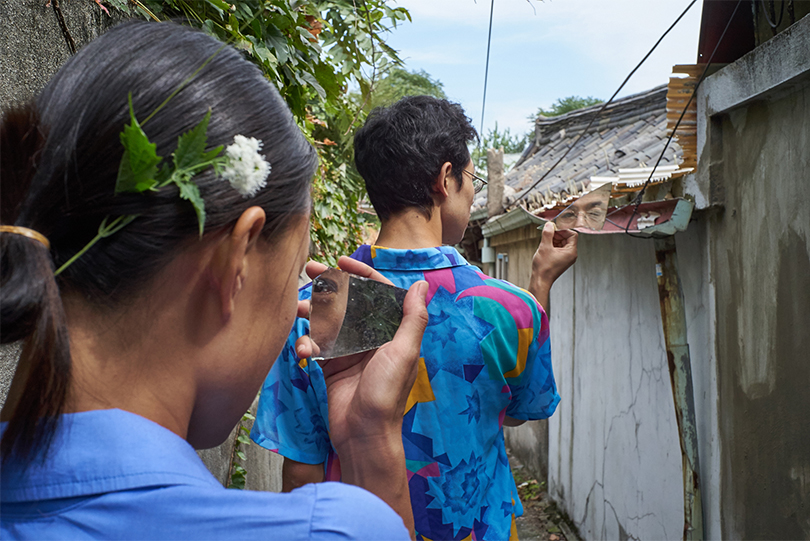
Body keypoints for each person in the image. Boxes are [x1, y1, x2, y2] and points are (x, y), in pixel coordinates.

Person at [0, 21, 429, 540]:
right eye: (295, 273)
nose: (295, 308)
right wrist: (369, 439)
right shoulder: (337, 530)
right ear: (236, 261)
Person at [251, 96, 578, 540]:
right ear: (446, 179)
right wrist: (537, 289)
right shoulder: (511, 308)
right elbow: (517, 412)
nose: (472, 192)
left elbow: (301, 472)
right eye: (471, 180)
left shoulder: (314, 307)